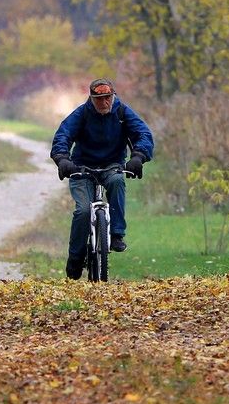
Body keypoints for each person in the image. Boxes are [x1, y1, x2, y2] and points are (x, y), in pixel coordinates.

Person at [50, 78, 155, 280]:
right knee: (82, 211)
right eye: (99, 99)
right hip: (82, 168)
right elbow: (63, 135)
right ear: (91, 99)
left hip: (112, 165)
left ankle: (116, 234)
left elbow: (143, 133)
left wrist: (138, 156)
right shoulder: (81, 114)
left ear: (113, 96)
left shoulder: (122, 112)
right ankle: (75, 258)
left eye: (108, 98)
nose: (104, 103)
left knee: (116, 182)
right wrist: (63, 159)